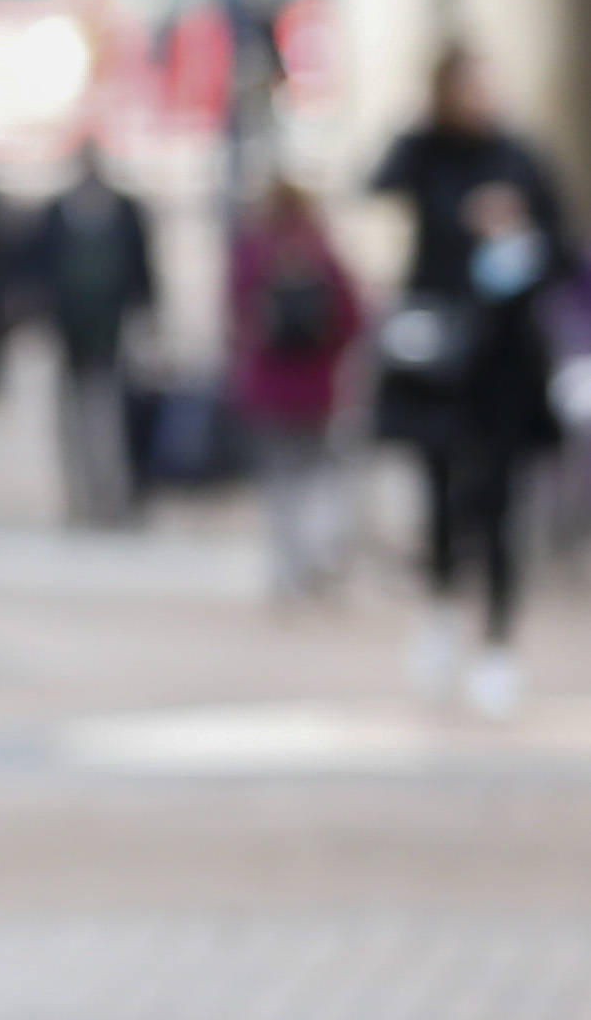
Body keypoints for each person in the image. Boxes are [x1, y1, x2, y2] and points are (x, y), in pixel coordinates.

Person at [370, 45, 571, 711]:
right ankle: (439, 610)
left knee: (502, 506)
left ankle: (497, 645)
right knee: (438, 494)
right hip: (440, 357)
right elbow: (376, 182)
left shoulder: (520, 157)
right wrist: (458, 211)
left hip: (507, 362)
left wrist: (519, 228)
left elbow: (564, 247)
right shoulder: (424, 152)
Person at [227, 172, 363, 605]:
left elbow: (234, 313)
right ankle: (311, 559)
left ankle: (287, 567)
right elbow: (353, 316)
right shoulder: (321, 251)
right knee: (316, 474)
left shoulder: (252, 251)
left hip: (269, 385)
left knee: (279, 479)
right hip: (316, 386)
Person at [24, 139, 161, 529]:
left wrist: (149, 317)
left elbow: (144, 268)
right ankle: (80, 496)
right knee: (72, 416)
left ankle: (113, 493)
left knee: (112, 415)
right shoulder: (56, 212)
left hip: (114, 330)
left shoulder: (124, 210)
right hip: (70, 332)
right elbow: (36, 266)